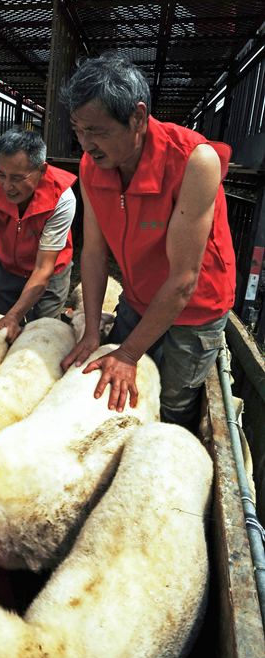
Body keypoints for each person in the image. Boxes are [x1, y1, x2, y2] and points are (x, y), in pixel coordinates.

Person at [61, 52, 236, 430]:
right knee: (108, 393)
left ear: (138, 118)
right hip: (138, 297)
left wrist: (126, 353)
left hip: (194, 308)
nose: (85, 144)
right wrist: (92, 330)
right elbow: (93, 252)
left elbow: (184, 278)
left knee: (171, 405)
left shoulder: (194, 162)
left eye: (98, 130)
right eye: (78, 130)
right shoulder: (93, 165)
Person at [0, 127, 77, 343]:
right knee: (0, 328)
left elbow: (43, 268)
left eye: (18, 178)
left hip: (50, 273)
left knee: (44, 332)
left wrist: (15, 315)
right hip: (9, 267)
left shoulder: (62, 198)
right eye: (1, 174)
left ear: (42, 170)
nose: (7, 186)